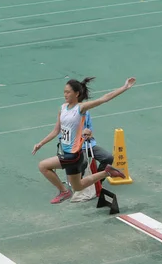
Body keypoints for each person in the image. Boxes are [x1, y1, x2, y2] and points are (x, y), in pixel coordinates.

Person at [33, 76, 136, 204]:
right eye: (64, 91)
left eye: (68, 92)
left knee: (43, 166)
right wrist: (41, 143)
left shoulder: (81, 109)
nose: (65, 94)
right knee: (78, 186)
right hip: (66, 153)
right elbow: (56, 131)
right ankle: (107, 172)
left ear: (77, 94)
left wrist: (124, 87)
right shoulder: (62, 108)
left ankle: (64, 192)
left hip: (74, 155)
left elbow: (104, 99)